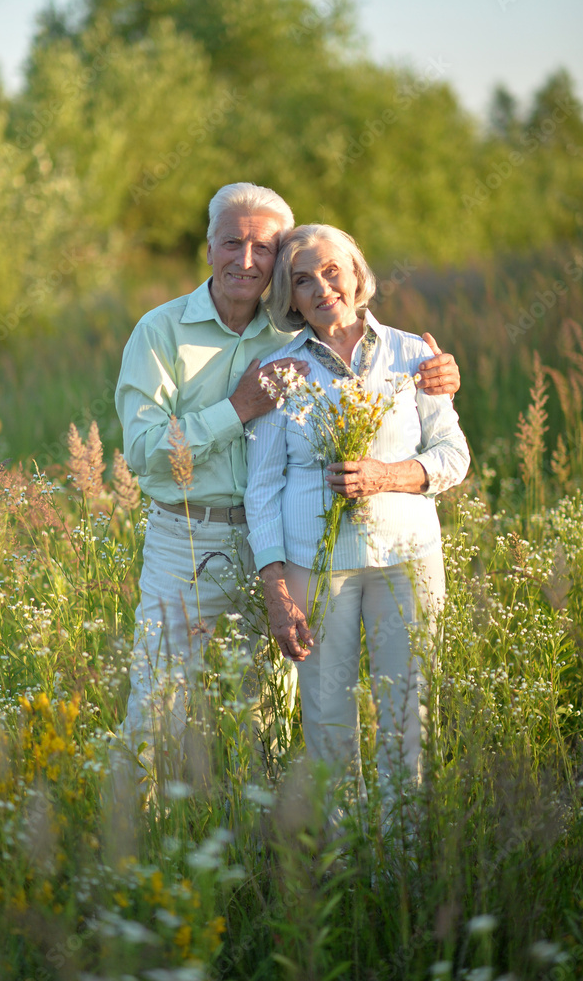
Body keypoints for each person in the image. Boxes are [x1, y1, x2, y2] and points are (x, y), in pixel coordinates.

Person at [113, 185, 461, 788]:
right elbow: (143, 453)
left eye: (263, 246)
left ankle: (263, 854)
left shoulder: (301, 335)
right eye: (232, 242)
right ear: (208, 249)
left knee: (266, 717)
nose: (245, 259)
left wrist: (440, 376)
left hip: (281, 547)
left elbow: (427, 426)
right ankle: (132, 851)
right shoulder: (160, 331)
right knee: (157, 705)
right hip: (185, 539)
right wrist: (238, 406)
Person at [244, 224, 470, 816]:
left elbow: (452, 455)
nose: (322, 287)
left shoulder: (414, 354)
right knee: (326, 716)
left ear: (357, 273)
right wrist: (276, 591)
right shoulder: (279, 371)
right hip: (315, 570)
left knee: (407, 711)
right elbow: (262, 489)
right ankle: (343, 864)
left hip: (407, 558)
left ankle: (402, 866)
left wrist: (384, 475)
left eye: (331, 270)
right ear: (289, 299)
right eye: (302, 280)